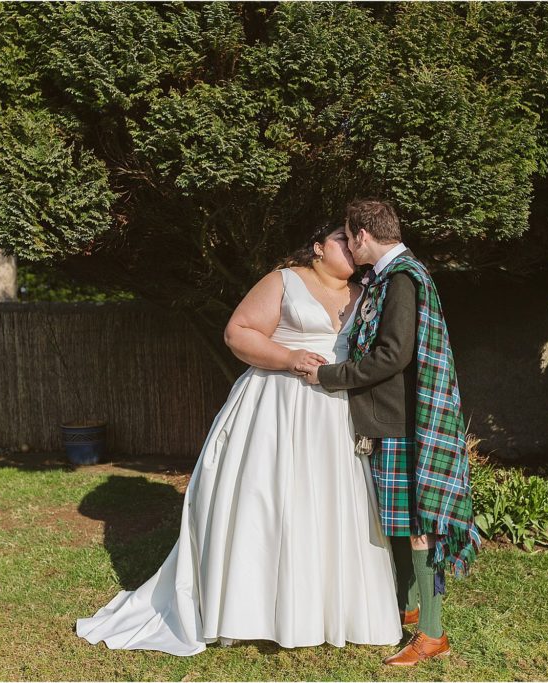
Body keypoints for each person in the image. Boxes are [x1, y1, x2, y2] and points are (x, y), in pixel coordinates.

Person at [76, 223, 402, 655]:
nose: (352, 245)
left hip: (335, 412)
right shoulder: (284, 281)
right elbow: (238, 332)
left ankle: (329, 611)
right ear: (318, 247)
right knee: (265, 502)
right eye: (342, 239)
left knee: (329, 503)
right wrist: (288, 357)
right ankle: (251, 610)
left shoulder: (365, 294)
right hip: (276, 405)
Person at [300, 199, 481, 666]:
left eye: (348, 236)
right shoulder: (391, 276)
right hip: (396, 417)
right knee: (400, 524)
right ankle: (408, 608)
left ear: (363, 235)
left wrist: (329, 376)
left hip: (407, 421)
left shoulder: (402, 278)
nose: (347, 246)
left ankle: (433, 635)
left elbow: (392, 355)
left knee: (420, 528)